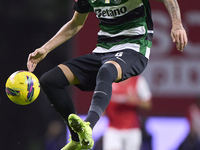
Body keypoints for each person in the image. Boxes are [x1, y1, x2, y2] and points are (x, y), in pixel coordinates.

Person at [27, 0, 187, 149]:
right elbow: (76, 24)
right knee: (50, 80)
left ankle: (88, 127)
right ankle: (77, 138)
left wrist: (177, 24)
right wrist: (45, 49)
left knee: (106, 70)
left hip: (135, 48)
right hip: (103, 51)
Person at [103, 76, 152, 150]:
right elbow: (101, 102)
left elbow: (148, 105)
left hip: (132, 131)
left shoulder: (138, 81)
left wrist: (136, 101)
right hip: (113, 130)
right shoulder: (109, 80)